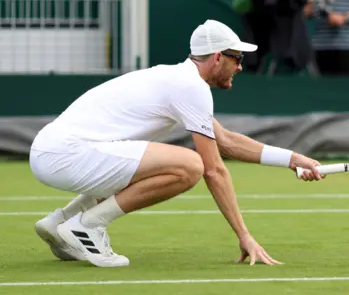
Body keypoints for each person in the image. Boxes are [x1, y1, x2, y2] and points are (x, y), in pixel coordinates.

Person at [29, 19, 324, 268]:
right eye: (237, 58)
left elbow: (227, 141)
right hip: (66, 155)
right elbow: (214, 170)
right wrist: (244, 234)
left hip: (52, 152)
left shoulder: (178, 79)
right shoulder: (190, 87)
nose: (240, 67)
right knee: (189, 166)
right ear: (218, 57)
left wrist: (294, 159)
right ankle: (88, 226)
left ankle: (62, 221)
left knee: (149, 164)